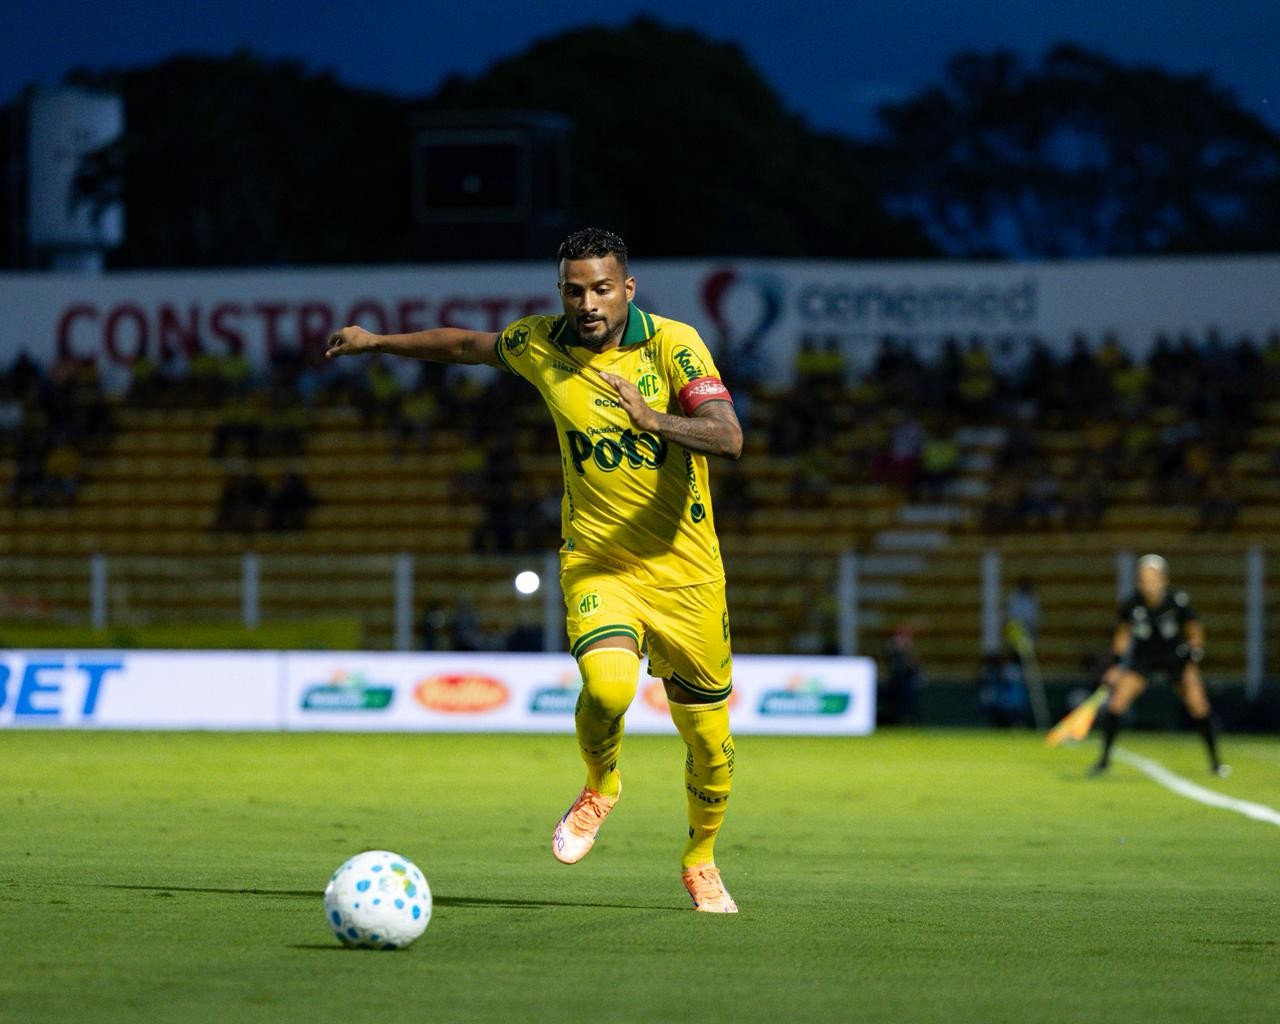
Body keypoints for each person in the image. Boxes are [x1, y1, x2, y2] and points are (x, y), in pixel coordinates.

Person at [326, 228, 743, 912]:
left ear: (627, 289)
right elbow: (467, 346)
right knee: (608, 691)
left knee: (709, 743)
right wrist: (377, 343)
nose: (588, 302)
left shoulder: (674, 344)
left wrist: (652, 419)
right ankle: (601, 786)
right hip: (599, 563)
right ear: (560, 292)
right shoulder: (539, 344)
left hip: (688, 577)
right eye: (574, 289)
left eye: (602, 288)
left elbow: (729, 437)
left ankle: (699, 860)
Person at [1091, 554, 1228, 777]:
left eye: (1152, 577)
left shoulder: (1177, 601)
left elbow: (1195, 633)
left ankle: (1216, 762)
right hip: (1143, 658)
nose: (1148, 582)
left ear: (1163, 579)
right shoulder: (1132, 603)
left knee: (1198, 705)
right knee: (1116, 704)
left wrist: (1192, 658)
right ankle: (1104, 761)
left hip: (1175, 657)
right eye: (1143, 578)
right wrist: (1116, 665)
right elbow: (1122, 636)